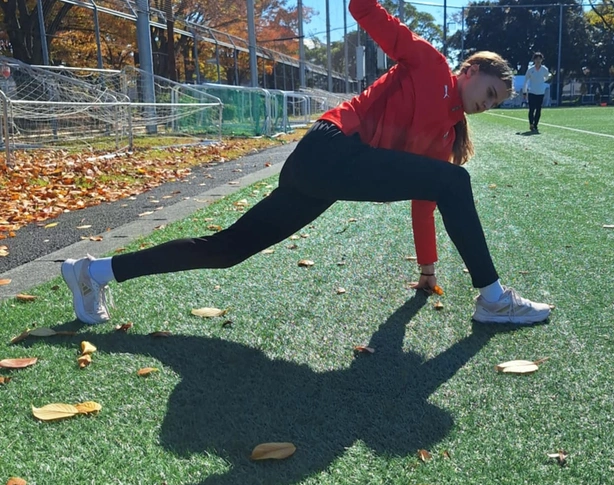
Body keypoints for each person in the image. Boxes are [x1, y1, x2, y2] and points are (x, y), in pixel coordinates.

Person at [61, 0, 552, 327]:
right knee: (454, 180)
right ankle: (493, 298)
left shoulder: (446, 134)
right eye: (490, 92)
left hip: (328, 175)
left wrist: (427, 267)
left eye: (495, 103)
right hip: (329, 148)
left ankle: (93, 272)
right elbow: (363, 8)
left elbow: (426, 199)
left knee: (227, 249)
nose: (487, 105)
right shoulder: (428, 62)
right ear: (470, 70)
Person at [522, 52, 551, 133]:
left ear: (541, 60)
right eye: (536, 59)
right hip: (532, 92)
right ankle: (531, 123)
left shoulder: (544, 69)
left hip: (540, 92)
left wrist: (542, 82)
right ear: (534, 60)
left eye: (539, 59)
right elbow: (526, 81)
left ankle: (535, 125)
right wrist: (524, 92)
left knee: (538, 109)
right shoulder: (530, 70)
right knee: (531, 109)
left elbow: (547, 77)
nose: (538, 61)